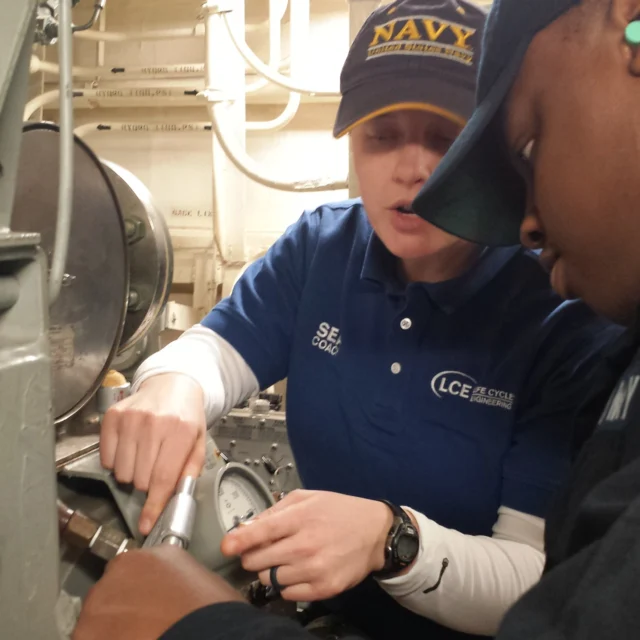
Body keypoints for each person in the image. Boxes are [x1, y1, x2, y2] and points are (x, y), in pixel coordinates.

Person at [95, 0, 622, 638]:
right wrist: (171, 385)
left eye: (444, 136)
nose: (411, 168)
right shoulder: (321, 248)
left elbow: (534, 578)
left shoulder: (555, 305)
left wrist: (390, 539)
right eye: (381, 136)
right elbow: (213, 351)